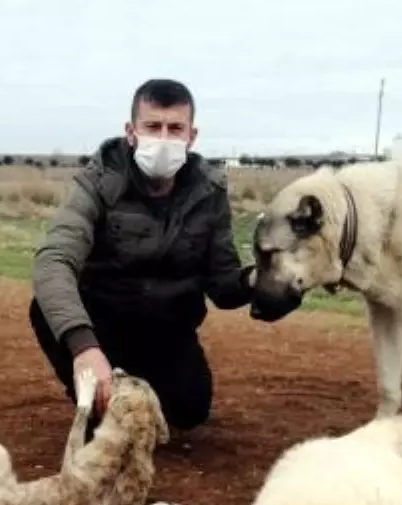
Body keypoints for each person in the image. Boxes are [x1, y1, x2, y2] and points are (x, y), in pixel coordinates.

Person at [29, 78, 272, 434]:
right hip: (103, 322)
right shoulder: (96, 181)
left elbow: (222, 284)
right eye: (152, 127)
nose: (163, 139)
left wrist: (257, 278)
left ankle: (134, 385)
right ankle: (94, 398)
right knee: (46, 309)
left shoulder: (210, 191)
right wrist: (83, 347)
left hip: (168, 326)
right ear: (131, 132)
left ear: (192, 136)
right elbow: (54, 260)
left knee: (189, 410)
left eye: (175, 129)